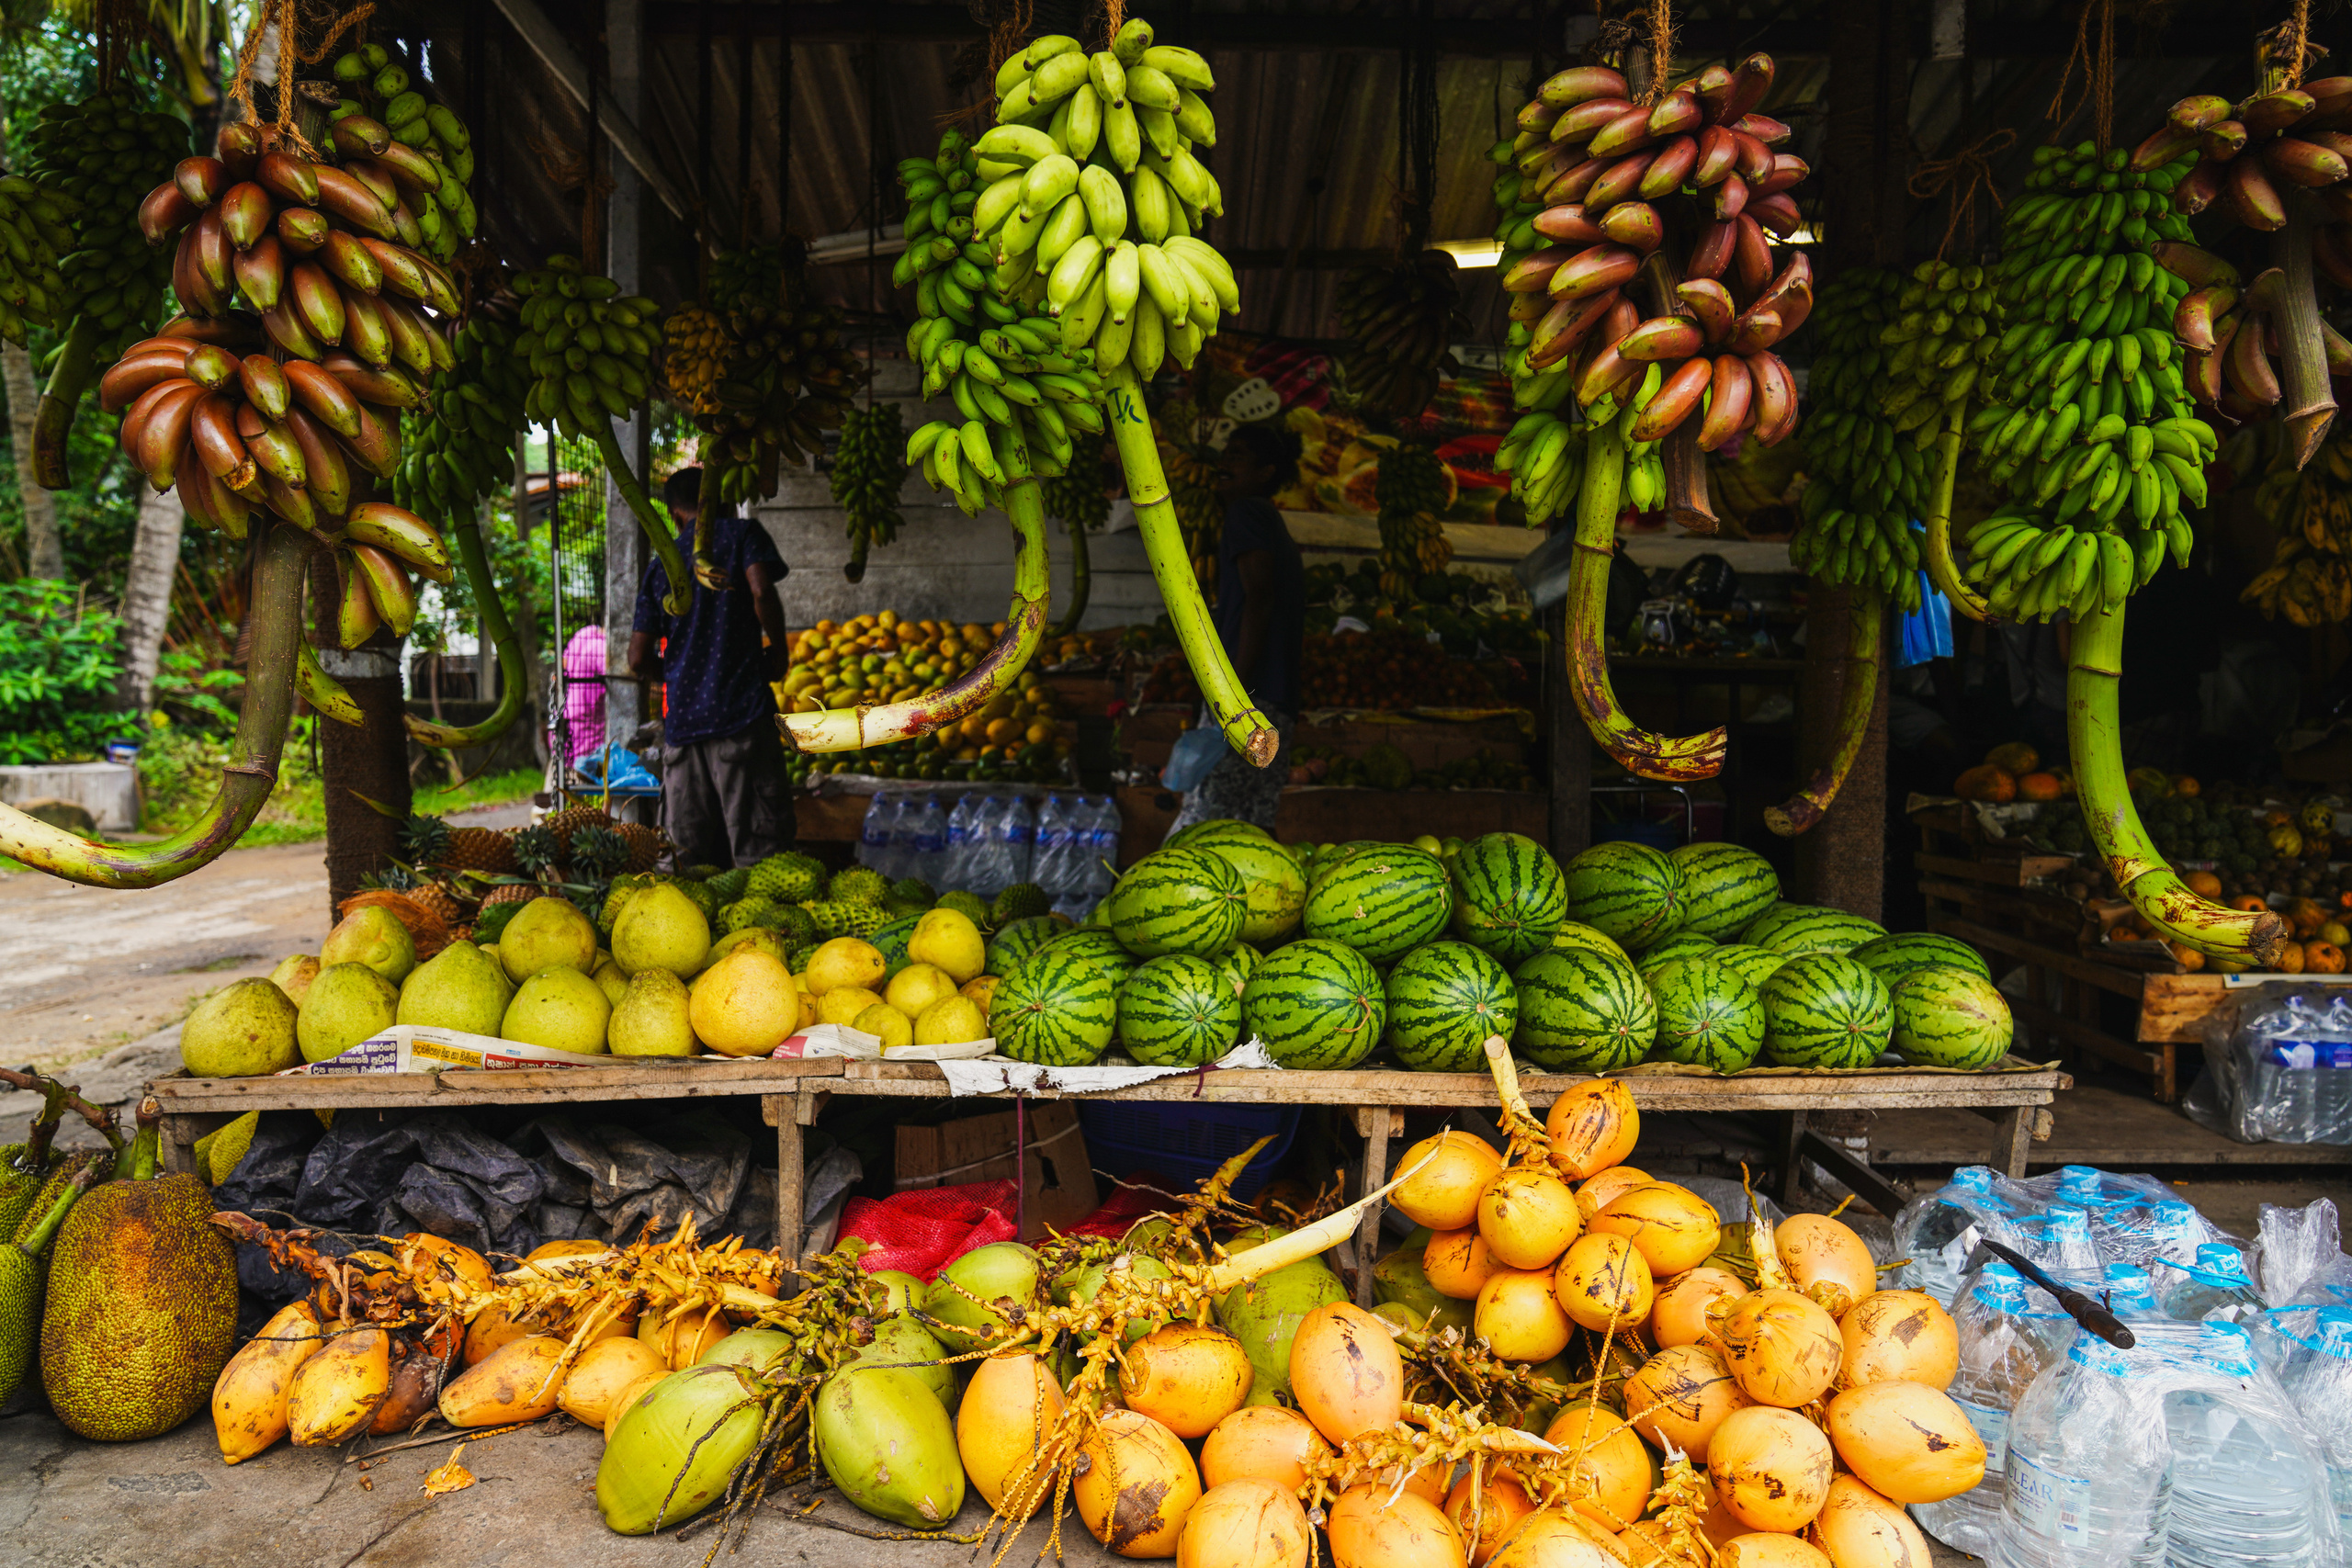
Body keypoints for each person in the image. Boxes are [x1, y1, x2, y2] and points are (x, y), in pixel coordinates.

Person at [628, 468, 795, 867]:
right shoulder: (743, 536)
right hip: (743, 717)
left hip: (684, 729)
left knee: (683, 860)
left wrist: (673, 674)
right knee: (762, 859)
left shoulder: (662, 566)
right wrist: (779, 649)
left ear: (674, 514)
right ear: (725, 502)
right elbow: (761, 589)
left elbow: (636, 658)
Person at [1165, 423, 1306, 838]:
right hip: (1274, 696)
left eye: (1239, 455)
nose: (1225, 463)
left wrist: (1234, 693)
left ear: (1266, 472)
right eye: (1226, 454)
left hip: (1250, 694)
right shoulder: (1266, 518)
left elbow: (1259, 596)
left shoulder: (1247, 514)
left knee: (1206, 819)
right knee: (1251, 822)